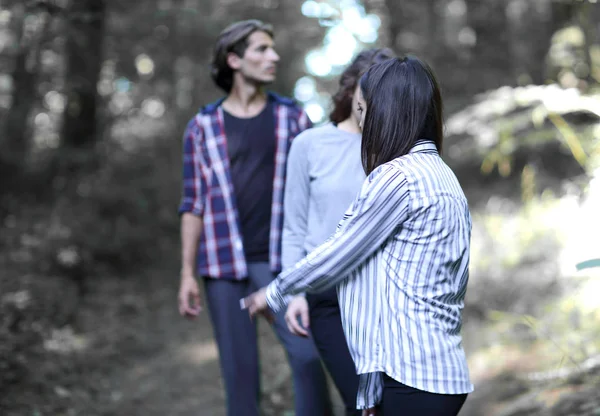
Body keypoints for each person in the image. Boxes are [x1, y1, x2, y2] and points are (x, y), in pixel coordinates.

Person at [242, 56, 474, 416]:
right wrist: (369, 388)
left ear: (384, 113)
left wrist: (273, 292)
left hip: (413, 378)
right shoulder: (442, 176)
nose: (360, 121)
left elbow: (339, 255)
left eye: (364, 109)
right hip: (442, 372)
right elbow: (394, 290)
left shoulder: (397, 178)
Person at [177, 19, 331, 416]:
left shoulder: (293, 118)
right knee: (240, 380)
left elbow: (316, 193)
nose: (273, 56)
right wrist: (186, 274)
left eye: (272, 48)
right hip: (223, 267)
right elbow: (193, 203)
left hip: (282, 262)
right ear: (233, 60)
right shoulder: (201, 127)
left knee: (308, 355)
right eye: (261, 49)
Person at [282, 48, 394, 416]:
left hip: (382, 293)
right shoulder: (309, 145)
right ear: (351, 90)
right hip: (326, 294)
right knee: (362, 401)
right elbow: (294, 226)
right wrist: (295, 292)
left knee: (382, 404)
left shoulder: (389, 148)